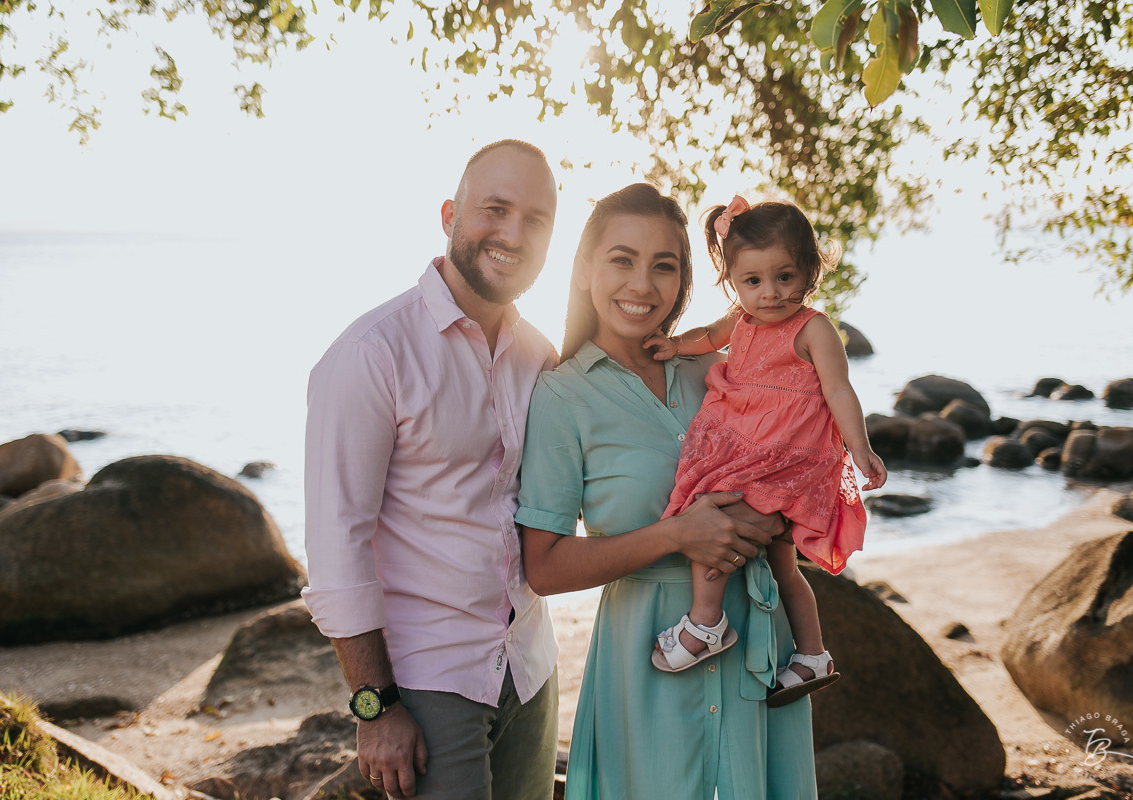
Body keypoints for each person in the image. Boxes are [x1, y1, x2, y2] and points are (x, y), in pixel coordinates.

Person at [516, 183, 818, 800]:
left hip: (758, 643)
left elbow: (799, 451)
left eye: (665, 266)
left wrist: (776, 523)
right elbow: (543, 567)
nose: (642, 285)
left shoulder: (720, 371)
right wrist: (678, 534)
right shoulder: (561, 395)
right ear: (582, 269)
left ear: (686, 280)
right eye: (622, 259)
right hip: (648, 661)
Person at [302, 140, 565, 800]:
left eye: (535, 220)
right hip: (427, 684)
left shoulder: (539, 355)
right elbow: (337, 548)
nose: (512, 234)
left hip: (531, 668)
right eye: (495, 209)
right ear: (449, 214)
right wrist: (375, 708)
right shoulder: (371, 354)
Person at [644, 195, 887, 707]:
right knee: (785, 566)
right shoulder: (743, 319)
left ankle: (707, 623)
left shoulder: (813, 329)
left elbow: (840, 391)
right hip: (749, 451)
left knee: (716, 524)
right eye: (753, 281)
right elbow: (709, 337)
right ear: (734, 280)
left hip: (790, 457)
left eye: (785, 277)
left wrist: (861, 450)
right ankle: (813, 655)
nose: (770, 294)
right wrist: (674, 346)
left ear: (810, 271)